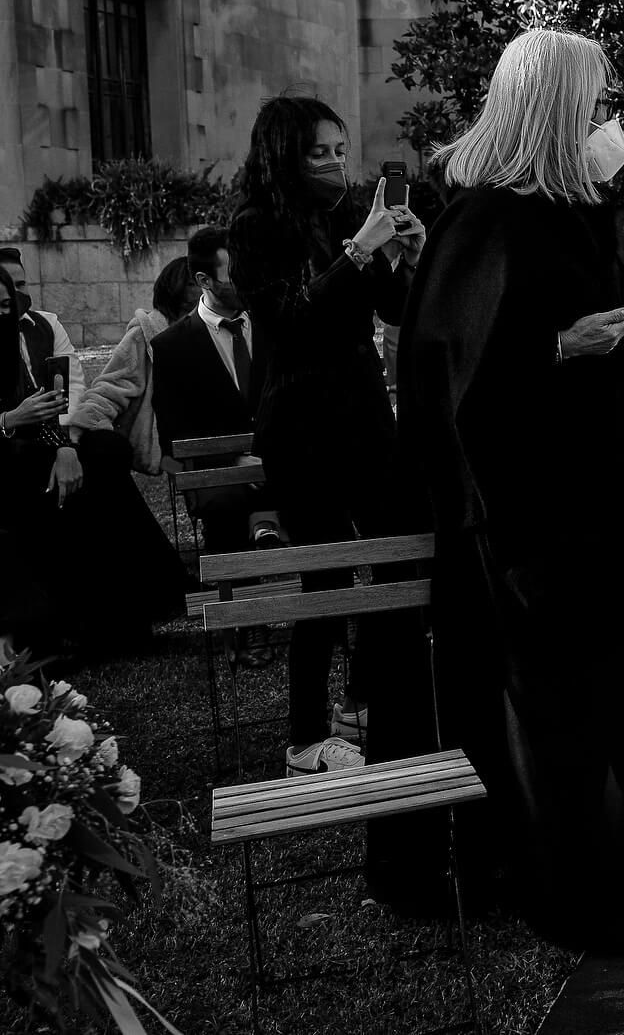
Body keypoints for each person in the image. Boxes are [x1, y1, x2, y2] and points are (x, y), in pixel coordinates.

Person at [399, 28, 624, 944]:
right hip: (521, 522)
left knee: (595, 706)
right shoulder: (482, 220)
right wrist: (564, 345)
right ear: (556, 108)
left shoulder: (557, 208)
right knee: (551, 717)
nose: (606, 119)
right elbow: (455, 380)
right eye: (593, 104)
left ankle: (615, 878)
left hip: (580, 500)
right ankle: (574, 888)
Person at [228, 97, 430, 780]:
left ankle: (367, 700)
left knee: (397, 552)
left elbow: (394, 311)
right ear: (284, 153)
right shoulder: (254, 227)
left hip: (364, 411)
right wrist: (358, 250)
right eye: (320, 152)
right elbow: (289, 319)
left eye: (341, 150)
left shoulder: (351, 212)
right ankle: (304, 735)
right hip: (300, 421)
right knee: (326, 572)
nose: (336, 163)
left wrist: (405, 257)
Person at [0, 266, 190, 659]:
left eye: (18, 290)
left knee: (105, 450)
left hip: (47, 443)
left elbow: (71, 390)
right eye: (7, 296)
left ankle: (126, 613)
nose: (16, 301)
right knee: (53, 477)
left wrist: (65, 447)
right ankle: (133, 606)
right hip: (9, 453)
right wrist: (9, 420)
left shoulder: (45, 326)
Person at [151, 227, 274, 555]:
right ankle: (236, 598)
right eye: (235, 274)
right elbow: (173, 436)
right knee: (224, 506)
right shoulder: (171, 347)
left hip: (281, 461)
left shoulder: (274, 325)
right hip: (216, 475)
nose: (248, 279)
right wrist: (234, 459)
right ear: (204, 281)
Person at [68, 258, 197, 477]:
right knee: (187, 473)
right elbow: (112, 386)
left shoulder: (217, 328)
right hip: (168, 454)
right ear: (177, 288)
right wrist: (82, 426)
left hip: (213, 439)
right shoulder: (145, 334)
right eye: (193, 283)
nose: (202, 289)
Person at [0, 248, 85, 426]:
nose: (16, 292)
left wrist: (59, 432)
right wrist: (10, 420)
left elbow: (73, 384)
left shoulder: (48, 324)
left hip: (54, 428)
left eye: (21, 284)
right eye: (8, 285)